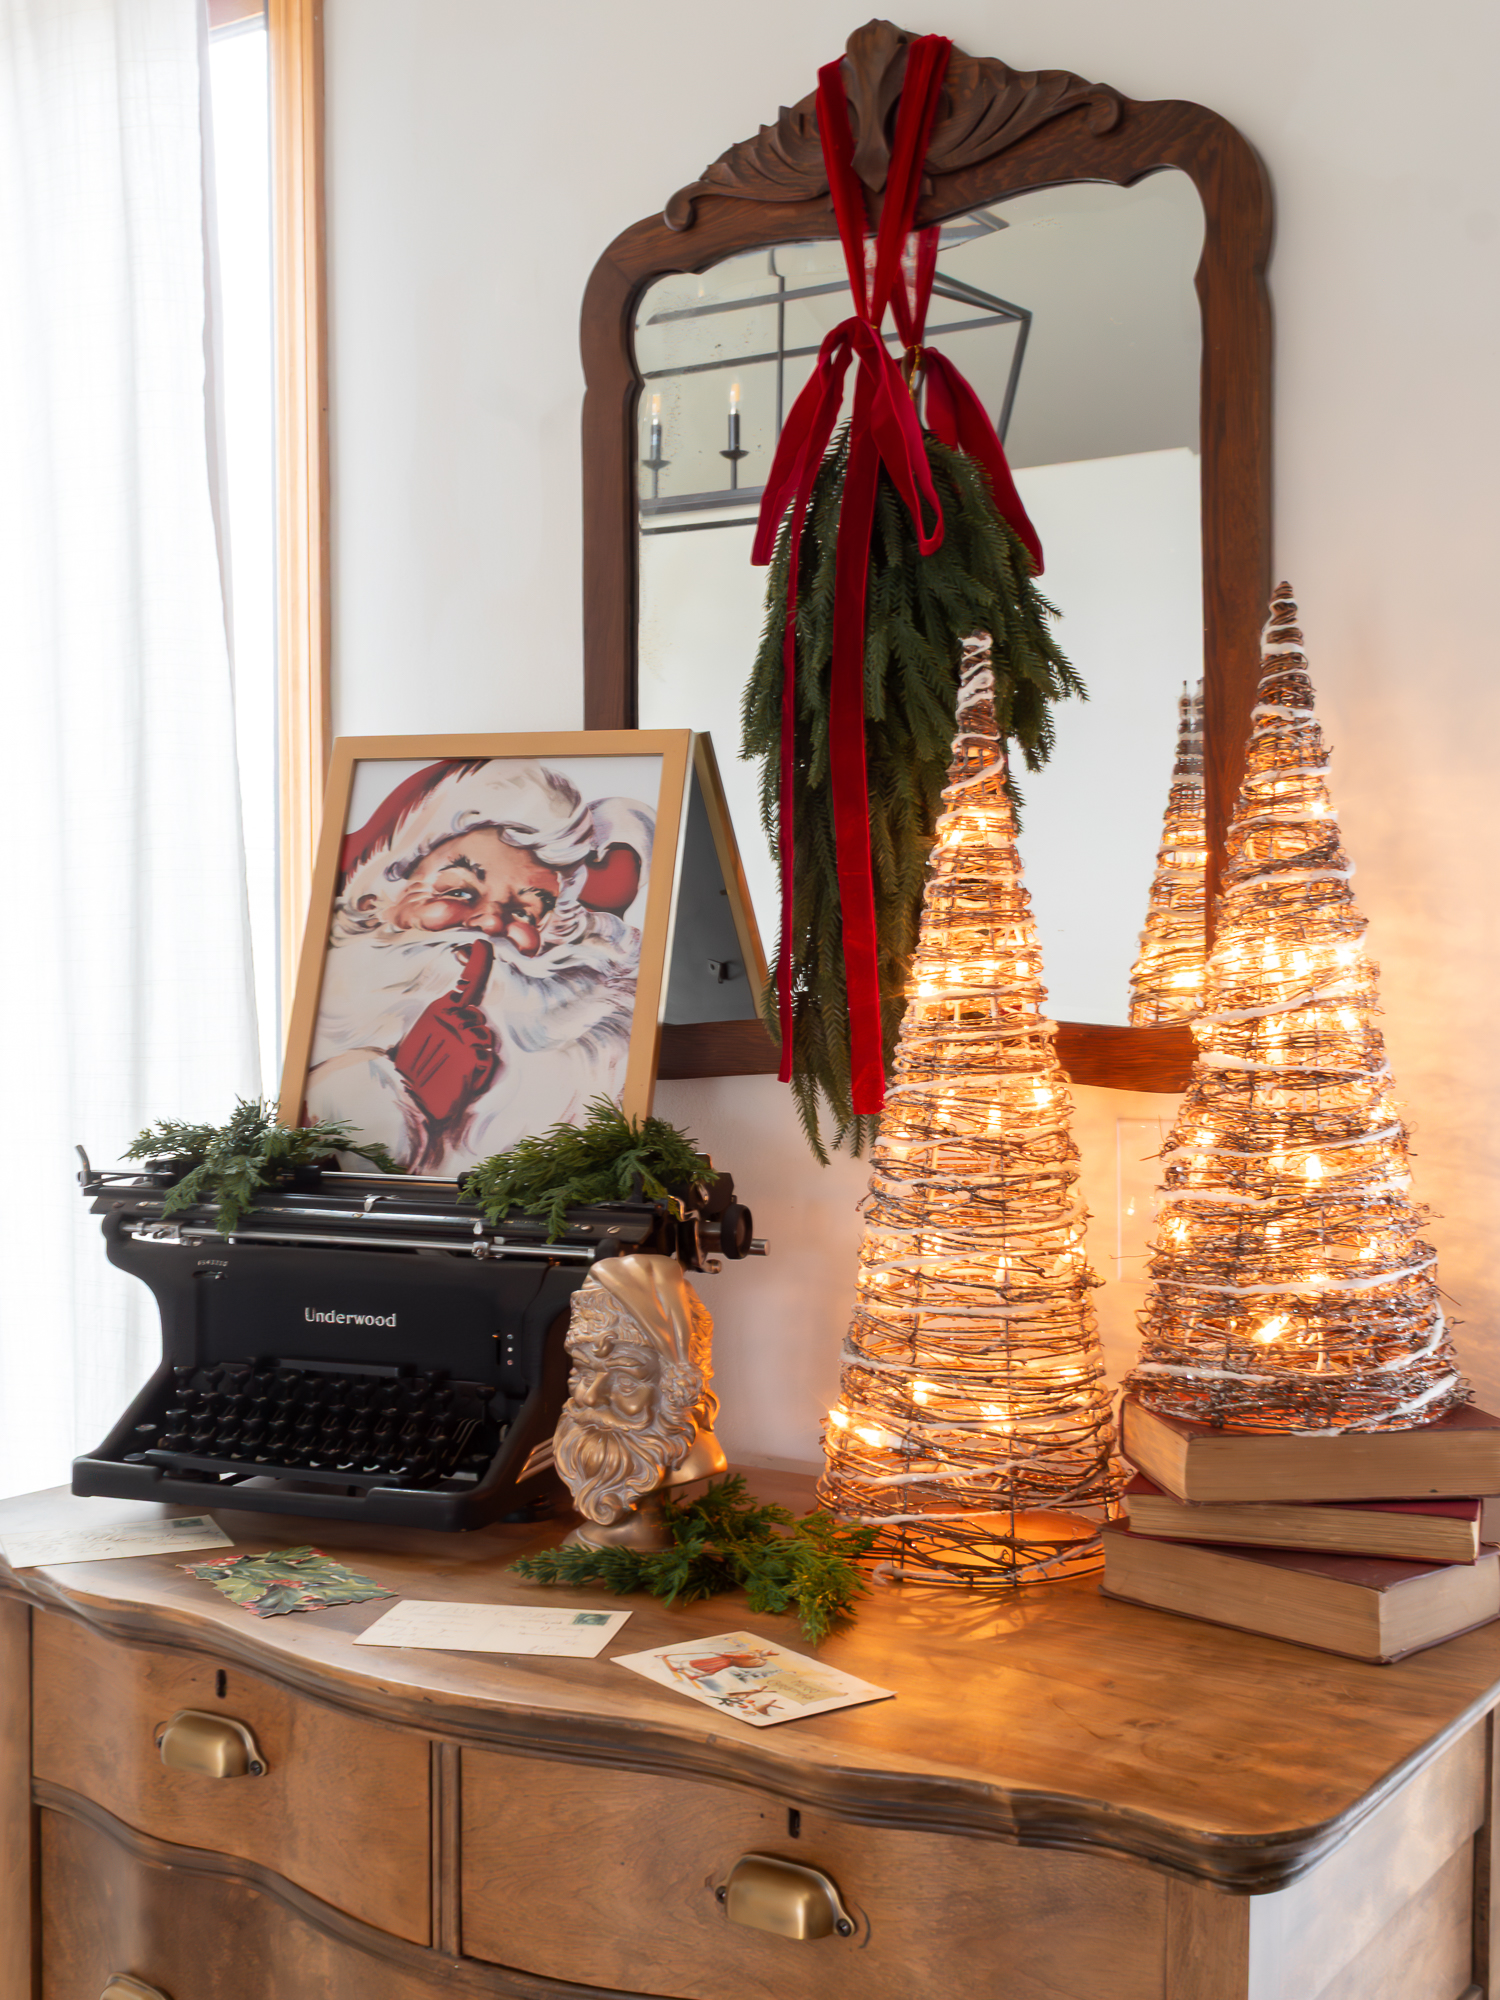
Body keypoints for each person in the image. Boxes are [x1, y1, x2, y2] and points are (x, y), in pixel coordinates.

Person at [304, 757, 654, 1174]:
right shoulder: (334, 1037)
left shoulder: (583, 1043)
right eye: (459, 891)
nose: (491, 924)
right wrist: (410, 1100)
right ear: (383, 896)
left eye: (526, 911)